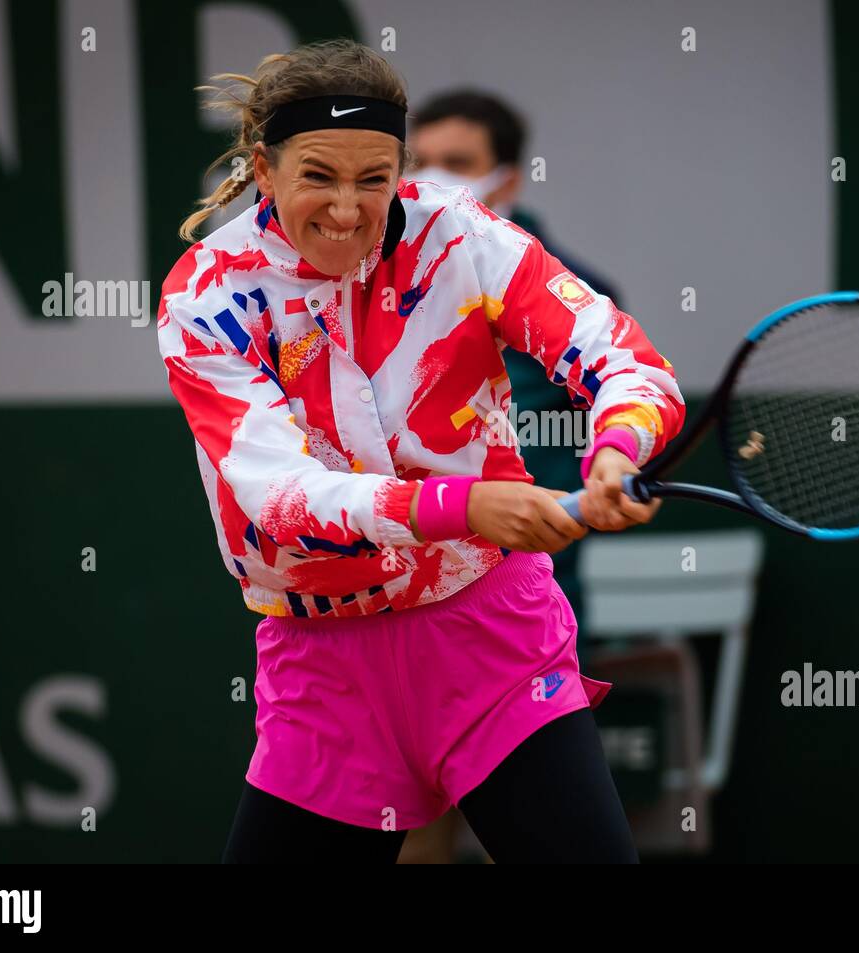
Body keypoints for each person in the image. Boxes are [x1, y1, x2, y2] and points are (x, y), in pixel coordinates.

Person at [156, 39, 684, 864]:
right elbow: (279, 496)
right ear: (265, 168)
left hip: (493, 639)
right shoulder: (208, 293)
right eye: (319, 176)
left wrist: (617, 448)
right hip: (323, 668)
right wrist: (464, 506)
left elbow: (624, 359)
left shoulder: (460, 235)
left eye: (374, 178)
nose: (346, 207)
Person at [408, 90, 622, 636]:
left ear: (506, 180)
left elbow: (616, 402)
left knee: (543, 717)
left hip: (534, 564)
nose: (434, 179)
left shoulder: (576, 292)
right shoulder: (379, 279)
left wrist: (609, 462)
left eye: (457, 164)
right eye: (420, 161)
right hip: (406, 565)